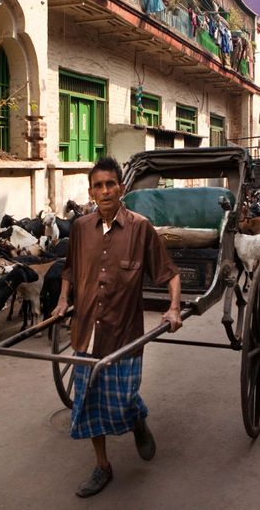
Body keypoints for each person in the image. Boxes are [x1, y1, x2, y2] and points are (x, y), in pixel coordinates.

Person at [52, 156, 183, 498]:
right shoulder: (80, 228)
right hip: (86, 332)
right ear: (91, 192)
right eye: (98, 185)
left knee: (122, 400)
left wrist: (172, 309)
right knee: (90, 403)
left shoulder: (140, 228)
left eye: (111, 184)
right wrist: (63, 301)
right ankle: (102, 466)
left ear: (121, 189)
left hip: (123, 334)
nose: (105, 190)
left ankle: (137, 417)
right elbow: (69, 270)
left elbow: (169, 273)